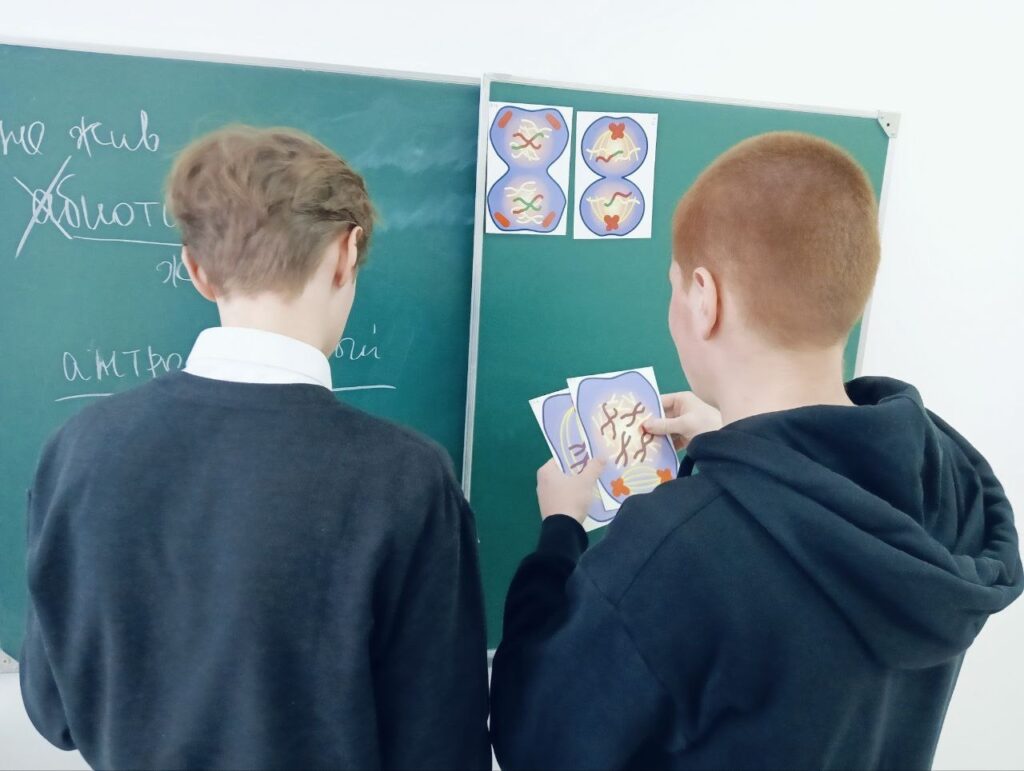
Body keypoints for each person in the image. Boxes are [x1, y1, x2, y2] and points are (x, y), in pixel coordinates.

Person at [490, 131, 1023, 770]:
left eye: (673, 286)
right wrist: (734, 444)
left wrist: (559, 531)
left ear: (705, 299)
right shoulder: (947, 479)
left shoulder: (677, 548)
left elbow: (535, 742)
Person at [20, 125, 490, 770]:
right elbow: (441, 747)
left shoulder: (78, 449)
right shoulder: (406, 479)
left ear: (196, 269)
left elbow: (54, 710)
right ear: (346, 252)